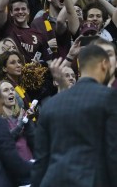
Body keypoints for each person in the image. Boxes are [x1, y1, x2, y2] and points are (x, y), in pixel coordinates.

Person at [32, 47, 117, 186]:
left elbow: (40, 160)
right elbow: (113, 152)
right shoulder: (109, 97)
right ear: (104, 64)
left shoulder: (50, 105)